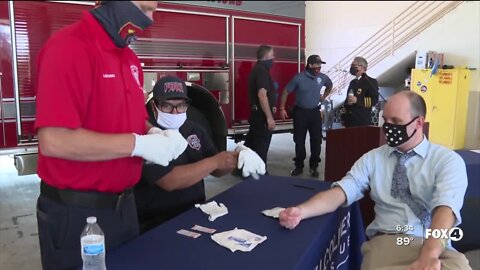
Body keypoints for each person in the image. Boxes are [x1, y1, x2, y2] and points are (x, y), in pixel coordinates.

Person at [34, 2, 188, 269]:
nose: (150, 19)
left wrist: (153, 131)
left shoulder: (128, 59)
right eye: (144, 8)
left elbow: (127, 114)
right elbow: (54, 140)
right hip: (77, 215)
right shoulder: (69, 48)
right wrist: (138, 144)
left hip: (125, 208)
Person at [279, 91, 471, 270]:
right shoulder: (373, 158)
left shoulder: (446, 161)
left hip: (435, 243)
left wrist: (430, 252)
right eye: (385, 120)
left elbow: (446, 208)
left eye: (396, 121)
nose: (388, 128)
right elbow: (342, 192)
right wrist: (301, 211)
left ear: (419, 123)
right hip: (390, 241)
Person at [134, 76, 237, 232]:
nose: (175, 112)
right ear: (154, 106)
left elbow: (216, 170)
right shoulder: (147, 134)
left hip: (194, 213)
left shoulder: (195, 130)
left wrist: (235, 159)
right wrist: (215, 162)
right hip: (156, 221)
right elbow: (168, 181)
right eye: (167, 106)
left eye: (181, 105)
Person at [279, 55, 333, 178]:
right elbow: (285, 91)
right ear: (309, 65)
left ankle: (314, 166)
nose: (319, 67)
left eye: (320, 65)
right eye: (316, 65)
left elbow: (329, 85)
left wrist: (324, 96)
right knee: (299, 140)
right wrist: (282, 108)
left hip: (314, 113)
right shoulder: (299, 78)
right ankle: (299, 166)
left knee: (316, 140)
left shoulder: (322, 77)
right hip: (300, 113)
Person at [244, 45, 276, 169]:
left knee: (251, 146)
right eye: (272, 55)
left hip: (256, 116)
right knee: (261, 150)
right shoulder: (262, 71)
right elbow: (262, 95)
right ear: (266, 57)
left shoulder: (257, 69)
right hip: (261, 117)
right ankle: (261, 177)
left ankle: (244, 171)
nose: (274, 58)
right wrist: (269, 118)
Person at [341, 56, 379, 127]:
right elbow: (347, 100)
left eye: (353, 65)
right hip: (349, 120)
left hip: (362, 120)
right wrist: (343, 116)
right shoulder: (353, 82)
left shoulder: (370, 82)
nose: (351, 67)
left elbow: (374, 100)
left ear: (362, 67)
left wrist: (357, 100)